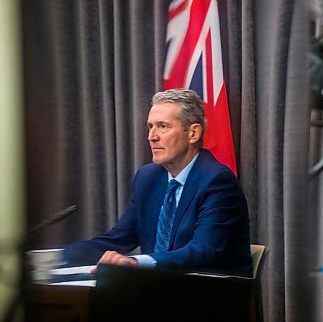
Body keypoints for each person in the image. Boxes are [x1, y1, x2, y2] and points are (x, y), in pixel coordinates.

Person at [62, 88, 253, 277]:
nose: (151, 136)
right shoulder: (148, 177)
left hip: (210, 297)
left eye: (163, 126)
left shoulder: (217, 180)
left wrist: (136, 263)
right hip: (157, 291)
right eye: (150, 126)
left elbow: (204, 251)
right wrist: (55, 258)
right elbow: (118, 239)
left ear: (193, 133)